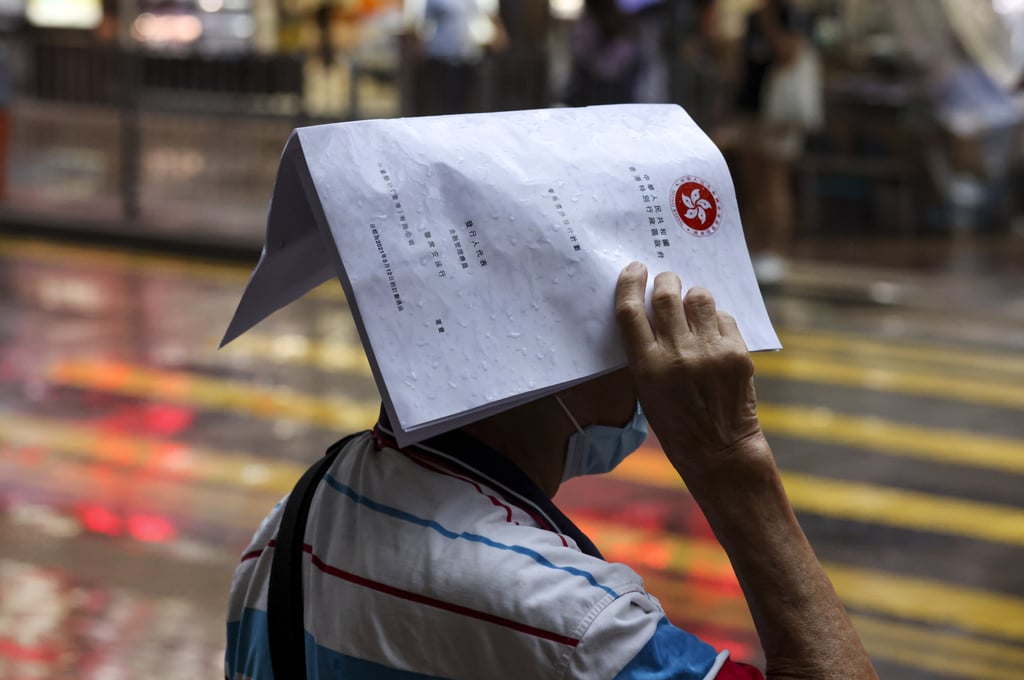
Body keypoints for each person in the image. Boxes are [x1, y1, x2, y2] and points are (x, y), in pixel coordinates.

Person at [225, 261, 877, 679]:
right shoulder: (579, 631)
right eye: (634, 326)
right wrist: (733, 462)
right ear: (549, 356)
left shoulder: (285, 530)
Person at [731, 0, 819, 285]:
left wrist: (769, 21)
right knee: (752, 182)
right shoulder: (752, 18)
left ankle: (776, 251)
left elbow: (787, 53)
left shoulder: (795, 15)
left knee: (774, 182)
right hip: (750, 107)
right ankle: (756, 248)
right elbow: (742, 65)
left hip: (779, 113)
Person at [403, 0, 507, 115]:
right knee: (445, 101)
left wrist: (497, 35)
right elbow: (421, 22)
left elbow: (488, 15)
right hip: (441, 56)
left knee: (467, 101)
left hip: (469, 56)